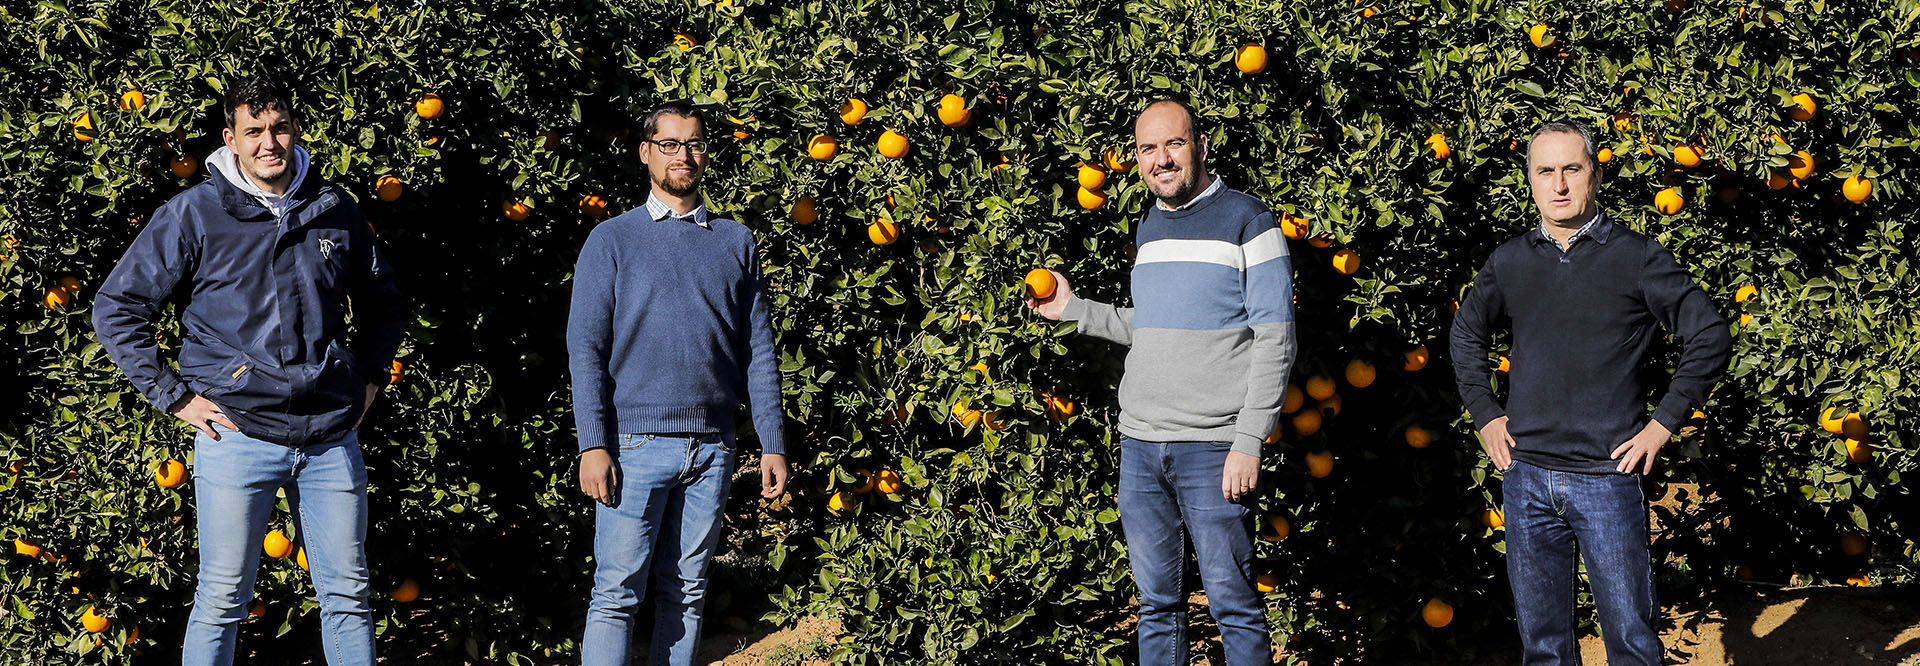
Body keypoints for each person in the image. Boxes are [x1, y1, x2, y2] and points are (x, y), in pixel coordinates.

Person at [92, 74, 404, 666]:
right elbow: (117, 306)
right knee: (223, 598)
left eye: (280, 127)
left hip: (331, 434)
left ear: (296, 130)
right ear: (231, 139)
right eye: (254, 130)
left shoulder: (334, 209)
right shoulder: (194, 214)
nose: (269, 142)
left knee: (347, 596)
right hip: (236, 435)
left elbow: (384, 301)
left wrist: (367, 376)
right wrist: (172, 395)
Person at [1449, 120, 1732, 665]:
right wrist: (1485, 414)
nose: (1559, 184)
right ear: (1529, 182)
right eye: (1545, 171)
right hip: (1526, 478)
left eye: (1571, 169)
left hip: (1608, 478)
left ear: (1595, 177)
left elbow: (1709, 335)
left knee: (1630, 643)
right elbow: (1466, 334)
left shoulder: (1636, 257)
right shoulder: (1510, 262)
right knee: (1545, 649)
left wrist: (1662, 424)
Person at [1026, 99, 1295, 665]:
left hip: (1214, 446)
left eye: (1172, 143)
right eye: (1148, 149)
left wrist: (1249, 441)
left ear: (1200, 145)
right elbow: (1148, 327)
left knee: (1234, 606)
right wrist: (1077, 310)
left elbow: (1276, 339)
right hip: (1142, 446)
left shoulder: (1250, 220)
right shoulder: (1148, 227)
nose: (1161, 159)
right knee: (1156, 605)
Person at [568, 102, 790, 666]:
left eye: (692, 143)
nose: (682, 155)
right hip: (632, 448)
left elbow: (758, 350)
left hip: (713, 448)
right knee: (616, 594)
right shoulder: (611, 240)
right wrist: (593, 443)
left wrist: (773, 441)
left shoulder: (735, 242)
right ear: (646, 152)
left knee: (687, 593)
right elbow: (586, 351)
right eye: (669, 144)